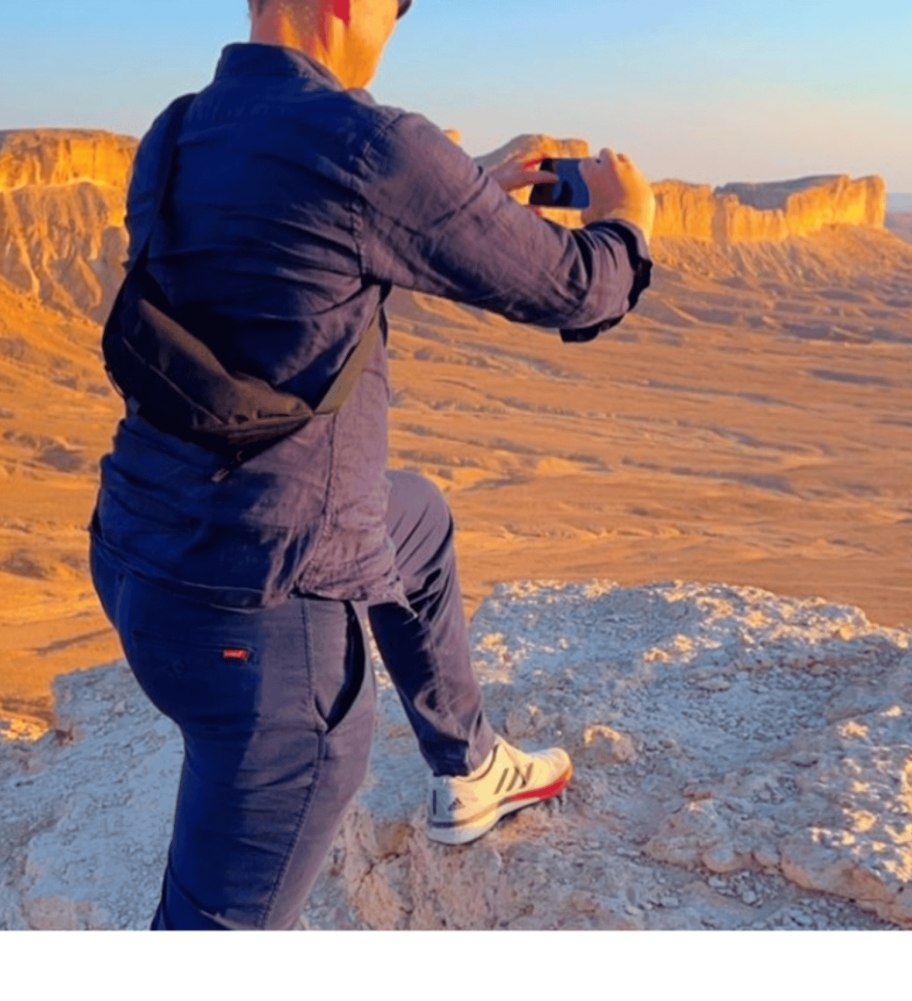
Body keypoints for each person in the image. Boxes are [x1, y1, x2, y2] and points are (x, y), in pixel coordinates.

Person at [88, 0, 656, 930]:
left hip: (138, 549)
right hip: (259, 614)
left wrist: (453, 203)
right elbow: (578, 288)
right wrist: (628, 219)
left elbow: (281, 268)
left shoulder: (177, 131)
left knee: (415, 518)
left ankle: (469, 766)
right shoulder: (371, 143)